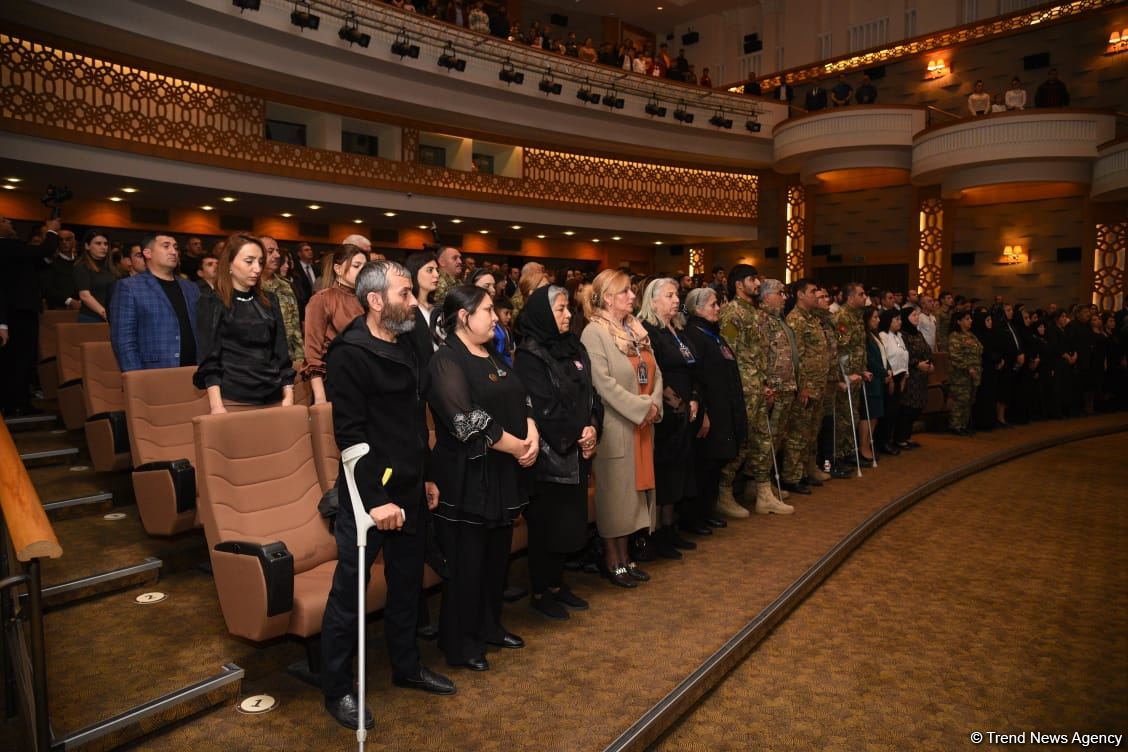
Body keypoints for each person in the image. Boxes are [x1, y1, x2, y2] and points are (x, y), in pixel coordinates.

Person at [320, 260, 454, 731]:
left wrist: (428, 477)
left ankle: (406, 666)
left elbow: (419, 420)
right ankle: (337, 689)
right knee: (350, 595)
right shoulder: (349, 353)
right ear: (376, 302)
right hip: (367, 493)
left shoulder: (411, 337)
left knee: (405, 586)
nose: (413, 302)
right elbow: (351, 437)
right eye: (404, 294)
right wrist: (376, 501)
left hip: (412, 485)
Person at [426, 286, 537, 671]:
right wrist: (519, 446)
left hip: (501, 474)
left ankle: (490, 626)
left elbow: (522, 396)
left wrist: (532, 433)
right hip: (465, 477)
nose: (495, 317)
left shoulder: (491, 355)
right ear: (463, 316)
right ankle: (460, 643)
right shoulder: (446, 361)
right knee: (466, 565)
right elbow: (465, 420)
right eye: (488, 310)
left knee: (494, 560)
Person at [513, 285, 602, 621]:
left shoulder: (573, 345)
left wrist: (593, 426)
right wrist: (578, 433)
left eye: (568, 308)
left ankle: (556, 584)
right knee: (546, 528)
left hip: (577, 450)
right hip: (549, 455)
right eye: (561, 309)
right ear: (542, 313)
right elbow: (542, 407)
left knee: (568, 525)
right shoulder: (529, 354)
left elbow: (591, 394)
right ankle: (540, 591)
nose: (568, 315)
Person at [580, 269, 662, 588]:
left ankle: (627, 557)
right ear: (608, 297)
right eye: (625, 292)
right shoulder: (594, 333)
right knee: (616, 499)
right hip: (617, 427)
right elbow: (603, 384)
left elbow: (655, 372)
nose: (632, 297)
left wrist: (653, 403)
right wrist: (642, 407)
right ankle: (612, 561)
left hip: (641, 424)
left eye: (631, 291)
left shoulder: (635, 329)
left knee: (634, 497)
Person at [194, 234, 295, 413]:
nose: (257, 268)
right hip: (233, 399)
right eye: (249, 261)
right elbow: (210, 360)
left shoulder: (269, 301)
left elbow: (281, 352)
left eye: (260, 261)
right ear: (229, 264)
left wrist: (288, 395)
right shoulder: (212, 302)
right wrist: (217, 406)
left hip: (274, 396)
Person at [639, 278, 701, 557]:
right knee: (665, 474)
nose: (676, 300)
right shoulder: (649, 331)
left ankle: (671, 528)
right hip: (666, 414)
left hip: (684, 412)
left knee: (678, 472)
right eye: (669, 295)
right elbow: (655, 373)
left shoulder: (677, 330)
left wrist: (695, 399)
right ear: (652, 302)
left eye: (677, 295)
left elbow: (693, 368)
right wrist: (678, 404)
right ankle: (659, 534)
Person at [682, 287, 745, 525]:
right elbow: (696, 377)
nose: (718, 308)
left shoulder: (713, 333)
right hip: (709, 412)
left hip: (723, 409)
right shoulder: (695, 334)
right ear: (698, 308)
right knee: (704, 465)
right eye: (713, 305)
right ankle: (696, 517)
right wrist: (705, 412)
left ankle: (708, 512)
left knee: (714, 465)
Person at [110, 233, 201, 372]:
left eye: (175, 247)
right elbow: (124, 341)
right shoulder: (129, 287)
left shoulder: (191, 287)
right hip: (154, 372)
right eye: (166, 246)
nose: (173, 251)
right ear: (147, 253)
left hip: (194, 372)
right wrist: (137, 379)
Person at [0, 215, 59, 416]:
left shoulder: (15, 248)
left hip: (23, 310)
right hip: (15, 312)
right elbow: (44, 250)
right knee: (16, 360)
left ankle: (21, 401)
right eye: (4, 221)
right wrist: (51, 230)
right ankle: (11, 404)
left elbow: (42, 260)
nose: (9, 222)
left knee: (25, 359)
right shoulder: (6, 246)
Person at [781, 279, 832, 494]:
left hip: (818, 386)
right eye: (812, 292)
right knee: (798, 433)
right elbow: (797, 357)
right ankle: (791, 477)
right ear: (800, 295)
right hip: (806, 388)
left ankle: (804, 472)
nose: (815, 295)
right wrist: (802, 386)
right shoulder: (796, 320)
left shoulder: (811, 319)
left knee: (811, 433)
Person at [303, 244, 367, 404]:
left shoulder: (368, 299)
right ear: (338, 269)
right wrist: (319, 397)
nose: (363, 271)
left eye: (365, 267)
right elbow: (312, 353)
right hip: (336, 378)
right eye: (357, 266)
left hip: (365, 378)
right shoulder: (322, 299)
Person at [833, 283, 870, 470]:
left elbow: (858, 349)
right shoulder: (843, 317)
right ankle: (839, 456)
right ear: (850, 297)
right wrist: (844, 376)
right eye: (861, 294)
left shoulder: (857, 317)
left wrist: (862, 370)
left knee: (852, 415)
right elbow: (839, 351)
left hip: (856, 375)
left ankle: (848, 452)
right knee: (843, 417)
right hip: (846, 376)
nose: (865, 297)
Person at [259, 235, 304, 363]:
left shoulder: (285, 285)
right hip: (259, 362)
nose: (277, 255)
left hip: (286, 359)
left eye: (277, 251)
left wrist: (300, 360)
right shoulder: (249, 286)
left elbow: (295, 327)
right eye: (270, 251)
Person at [896, 307, 932, 448]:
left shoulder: (918, 333)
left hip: (922, 378)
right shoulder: (902, 335)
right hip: (910, 377)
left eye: (917, 315)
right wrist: (917, 364)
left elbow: (927, 350)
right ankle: (900, 438)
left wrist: (930, 363)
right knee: (907, 408)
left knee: (916, 408)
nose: (917, 317)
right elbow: (905, 354)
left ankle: (908, 436)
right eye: (913, 315)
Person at [876, 308, 907, 455]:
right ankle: (883, 442)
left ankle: (890, 439)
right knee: (888, 412)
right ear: (888, 321)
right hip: (890, 378)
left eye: (900, 319)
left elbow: (904, 356)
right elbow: (885, 359)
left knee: (895, 411)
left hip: (900, 377)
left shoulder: (898, 336)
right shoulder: (883, 336)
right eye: (897, 319)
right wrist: (891, 378)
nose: (900, 322)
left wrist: (905, 376)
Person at [947, 310, 981, 435]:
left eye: (970, 318)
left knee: (969, 400)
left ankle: (963, 425)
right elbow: (955, 356)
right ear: (959, 322)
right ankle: (955, 426)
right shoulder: (955, 336)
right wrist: (968, 367)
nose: (970, 320)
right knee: (960, 400)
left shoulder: (972, 335)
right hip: (960, 375)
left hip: (974, 375)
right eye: (967, 319)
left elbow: (978, 351)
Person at [404, 251, 440, 368]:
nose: (436, 275)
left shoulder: (438, 307)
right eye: (430, 270)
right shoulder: (406, 308)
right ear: (414, 273)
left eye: (437, 270)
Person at [860, 307, 885, 464]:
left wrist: (887, 370)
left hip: (878, 379)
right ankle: (863, 446)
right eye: (874, 317)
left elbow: (883, 355)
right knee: (868, 414)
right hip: (870, 379)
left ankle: (869, 443)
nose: (878, 320)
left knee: (875, 415)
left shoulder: (874, 336)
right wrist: (883, 372)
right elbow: (869, 359)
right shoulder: (864, 337)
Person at [74, 229, 117, 323]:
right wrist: (105, 314)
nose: (103, 247)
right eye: (98, 243)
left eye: (106, 244)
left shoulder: (110, 267)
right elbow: (85, 296)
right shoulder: (82, 266)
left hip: (111, 317)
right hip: (90, 318)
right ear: (87, 246)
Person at [971, 309, 1003, 431]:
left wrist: (1000, 360)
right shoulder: (977, 335)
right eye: (987, 320)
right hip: (983, 368)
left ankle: (990, 421)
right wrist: (995, 359)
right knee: (983, 396)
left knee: (991, 395)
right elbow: (984, 353)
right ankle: (982, 422)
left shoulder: (991, 333)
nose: (990, 323)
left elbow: (998, 348)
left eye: (991, 320)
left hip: (992, 368)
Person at [41, 227, 80, 311]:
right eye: (60, 240)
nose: (64, 242)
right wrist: (69, 301)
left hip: (81, 307)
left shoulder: (81, 262)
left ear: (74, 242)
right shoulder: (50, 262)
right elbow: (47, 288)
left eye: (68, 239)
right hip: (57, 308)